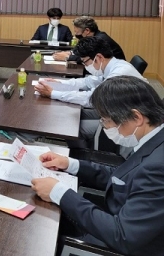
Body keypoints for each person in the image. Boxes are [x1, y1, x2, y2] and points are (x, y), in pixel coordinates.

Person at [31, 76, 164, 256]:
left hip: (122, 243)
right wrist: (70, 164)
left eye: (107, 121)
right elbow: (122, 176)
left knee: (38, 234)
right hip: (121, 216)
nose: (105, 126)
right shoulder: (153, 139)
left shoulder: (157, 168)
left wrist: (59, 192)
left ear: (136, 117)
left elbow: (123, 236)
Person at [34, 36, 145, 141]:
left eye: (85, 62)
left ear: (99, 57)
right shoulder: (112, 65)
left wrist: (53, 93)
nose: (85, 65)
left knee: (72, 127)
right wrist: (60, 82)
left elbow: (91, 99)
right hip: (115, 111)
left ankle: (82, 152)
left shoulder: (119, 73)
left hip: (126, 122)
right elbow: (88, 82)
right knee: (71, 115)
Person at [53, 16, 125, 62]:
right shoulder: (95, 36)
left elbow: (89, 58)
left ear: (87, 31)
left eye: (77, 32)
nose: (76, 35)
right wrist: (70, 53)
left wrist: (67, 57)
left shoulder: (99, 39)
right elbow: (82, 51)